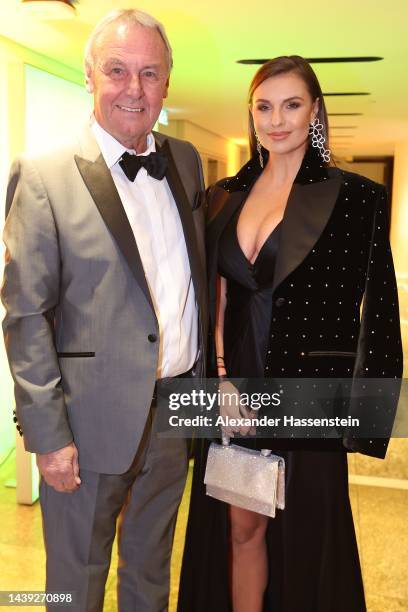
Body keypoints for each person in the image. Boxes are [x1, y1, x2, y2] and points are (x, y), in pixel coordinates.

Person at [178, 56, 402, 612]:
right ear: (250, 113)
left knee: (305, 540)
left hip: (308, 396)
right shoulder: (224, 196)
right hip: (235, 395)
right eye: (263, 106)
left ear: (315, 111)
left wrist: (363, 419)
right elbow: (216, 294)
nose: (276, 120)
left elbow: (379, 313)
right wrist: (220, 385)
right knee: (240, 532)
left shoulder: (355, 198)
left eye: (292, 104)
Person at [1, 8, 207, 612]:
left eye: (150, 72)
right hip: (85, 427)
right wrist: (47, 435)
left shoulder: (187, 161)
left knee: (149, 571)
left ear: (168, 81)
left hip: (174, 412)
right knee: (75, 582)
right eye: (117, 70)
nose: (134, 88)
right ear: (90, 76)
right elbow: (25, 315)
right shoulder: (41, 176)